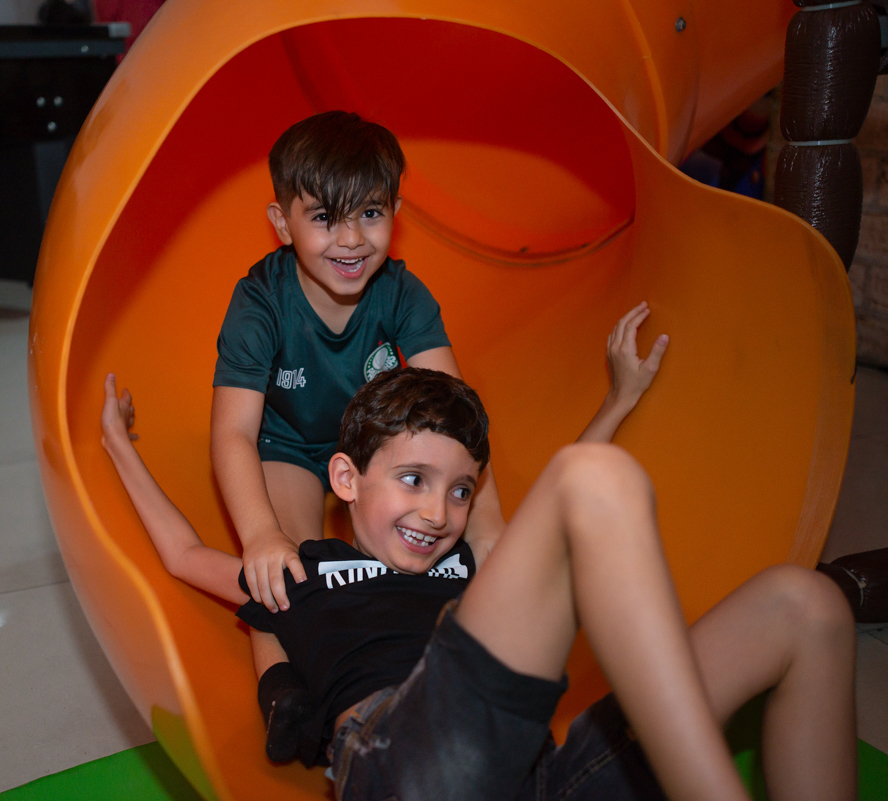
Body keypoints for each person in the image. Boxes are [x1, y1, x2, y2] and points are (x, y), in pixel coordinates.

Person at [100, 363, 856, 801]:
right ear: (347, 479)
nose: (438, 512)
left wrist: (619, 398)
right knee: (589, 481)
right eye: (413, 479)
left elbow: (573, 520)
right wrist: (116, 444)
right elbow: (181, 552)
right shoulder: (304, 572)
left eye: (461, 490)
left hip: (530, 776)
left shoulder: (468, 565)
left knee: (805, 604)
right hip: (401, 764)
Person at [211, 110, 669, 759]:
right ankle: (283, 688)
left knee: (410, 547)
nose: (351, 239)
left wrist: (489, 526)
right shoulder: (260, 301)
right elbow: (233, 432)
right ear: (282, 223)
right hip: (287, 442)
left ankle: (392, 666)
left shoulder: (402, 294)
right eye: (325, 218)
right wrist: (259, 533)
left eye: (371, 213)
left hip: (375, 441)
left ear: (396, 213)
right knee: (286, 564)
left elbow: (458, 417)